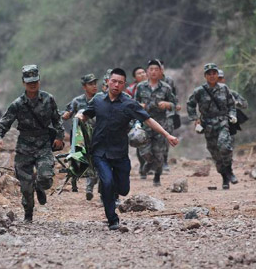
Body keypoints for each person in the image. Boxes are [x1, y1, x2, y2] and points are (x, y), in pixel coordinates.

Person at [76, 68, 179, 230]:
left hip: (119, 153)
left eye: (120, 83)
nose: (116, 85)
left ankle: (111, 191)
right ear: (108, 82)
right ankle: (112, 219)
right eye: (113, 81)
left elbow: (148, 120)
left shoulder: (129, 103)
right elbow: (86, 113)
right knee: (107, 182)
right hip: (100, 152)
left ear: (124, 85)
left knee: (123, 189)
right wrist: (80, 116)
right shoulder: (98, 100)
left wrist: (167, 135)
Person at [0, 65, 65, 222]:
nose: (32, 84)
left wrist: (59, 136)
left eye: (35, 81)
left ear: (39, 81)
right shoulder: (17, 104)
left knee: (46, 178)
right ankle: (28, 214)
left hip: (44, 145)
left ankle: (39, 186)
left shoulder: (48, 99)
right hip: (24, 148)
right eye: (29, 82)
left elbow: (57, 119)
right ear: (23, 83)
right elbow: (3, 123)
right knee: (25, 187)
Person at [187, 63, 237, 190]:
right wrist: (195, 119)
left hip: (222, 122)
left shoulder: (224, 88)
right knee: (215, 153)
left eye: (214, 73)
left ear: (217, 74)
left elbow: (231, 104)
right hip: (208, 124)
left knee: (224, 146)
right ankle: (224, 176)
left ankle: (229, 170)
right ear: (205, 76)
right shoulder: (199, 91)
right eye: (209, 74)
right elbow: (190, 104)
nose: (212, 76)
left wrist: (232, 115)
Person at [135, 59, 177, 186]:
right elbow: (133, 103)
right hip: (145, 123)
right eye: (151, 69)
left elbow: (175, 104)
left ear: (160, 72)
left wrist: (167, 104)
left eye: (156, 70)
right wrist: (139, 105)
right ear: (147, 72)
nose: (153, 72)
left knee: (159, 153)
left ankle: (157, 176)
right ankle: (148, 163)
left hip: (161, 123)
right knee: (144, 151)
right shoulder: (141, 87)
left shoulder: (166, 88)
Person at [62, 73, 99, 200]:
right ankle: (88, 186)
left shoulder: (101, 99)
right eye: (91, 84)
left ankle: (99, 188)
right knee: (86, 161)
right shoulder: (77, 101)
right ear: (84, 87)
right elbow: (68, 113)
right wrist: (66, 115)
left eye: (95, 83)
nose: (94, 86)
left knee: (99, 160)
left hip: (99, 135)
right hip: (81, 137)